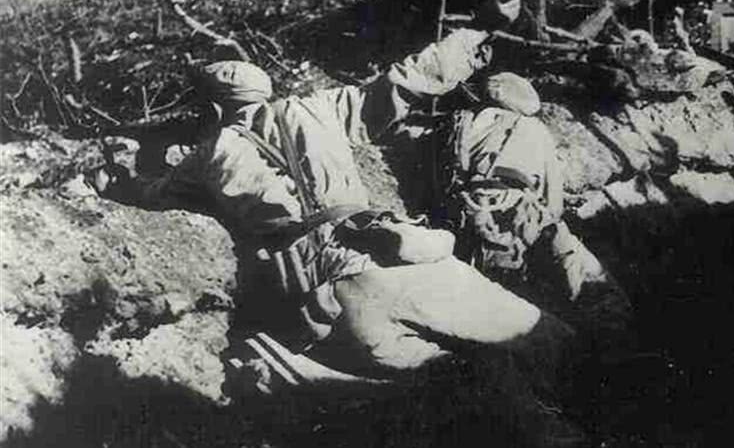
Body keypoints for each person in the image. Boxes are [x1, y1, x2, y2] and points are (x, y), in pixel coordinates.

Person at [97, 27, 586, 447]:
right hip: (394, 262)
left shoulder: (208, 156)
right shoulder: (317, 108)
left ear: (211, 107)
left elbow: (150, 195)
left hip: (327, 305)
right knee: (545, 341)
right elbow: (404, 82)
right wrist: (468, 43)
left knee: (457, 387)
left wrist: (111, 178)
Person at [444, 71, 633, 355]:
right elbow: (553, 203)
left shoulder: (461, 123)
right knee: (585, 277)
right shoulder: (533, 129)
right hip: (516, 212)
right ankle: (612, 346)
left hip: (470, 214)